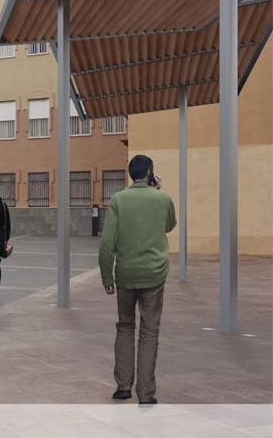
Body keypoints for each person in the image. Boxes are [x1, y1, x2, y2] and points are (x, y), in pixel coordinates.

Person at [99, 154, 176, 405]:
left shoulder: (118, 200)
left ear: (131, 174)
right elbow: (169, 225)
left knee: (124, 326)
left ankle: (123, 386)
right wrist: (157, 191)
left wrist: (106, 274)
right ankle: (146, 394)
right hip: (154, 273)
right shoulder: (162, 198)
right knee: (149, 331)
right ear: (151, 173)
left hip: (125, 274)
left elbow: (107, 242)